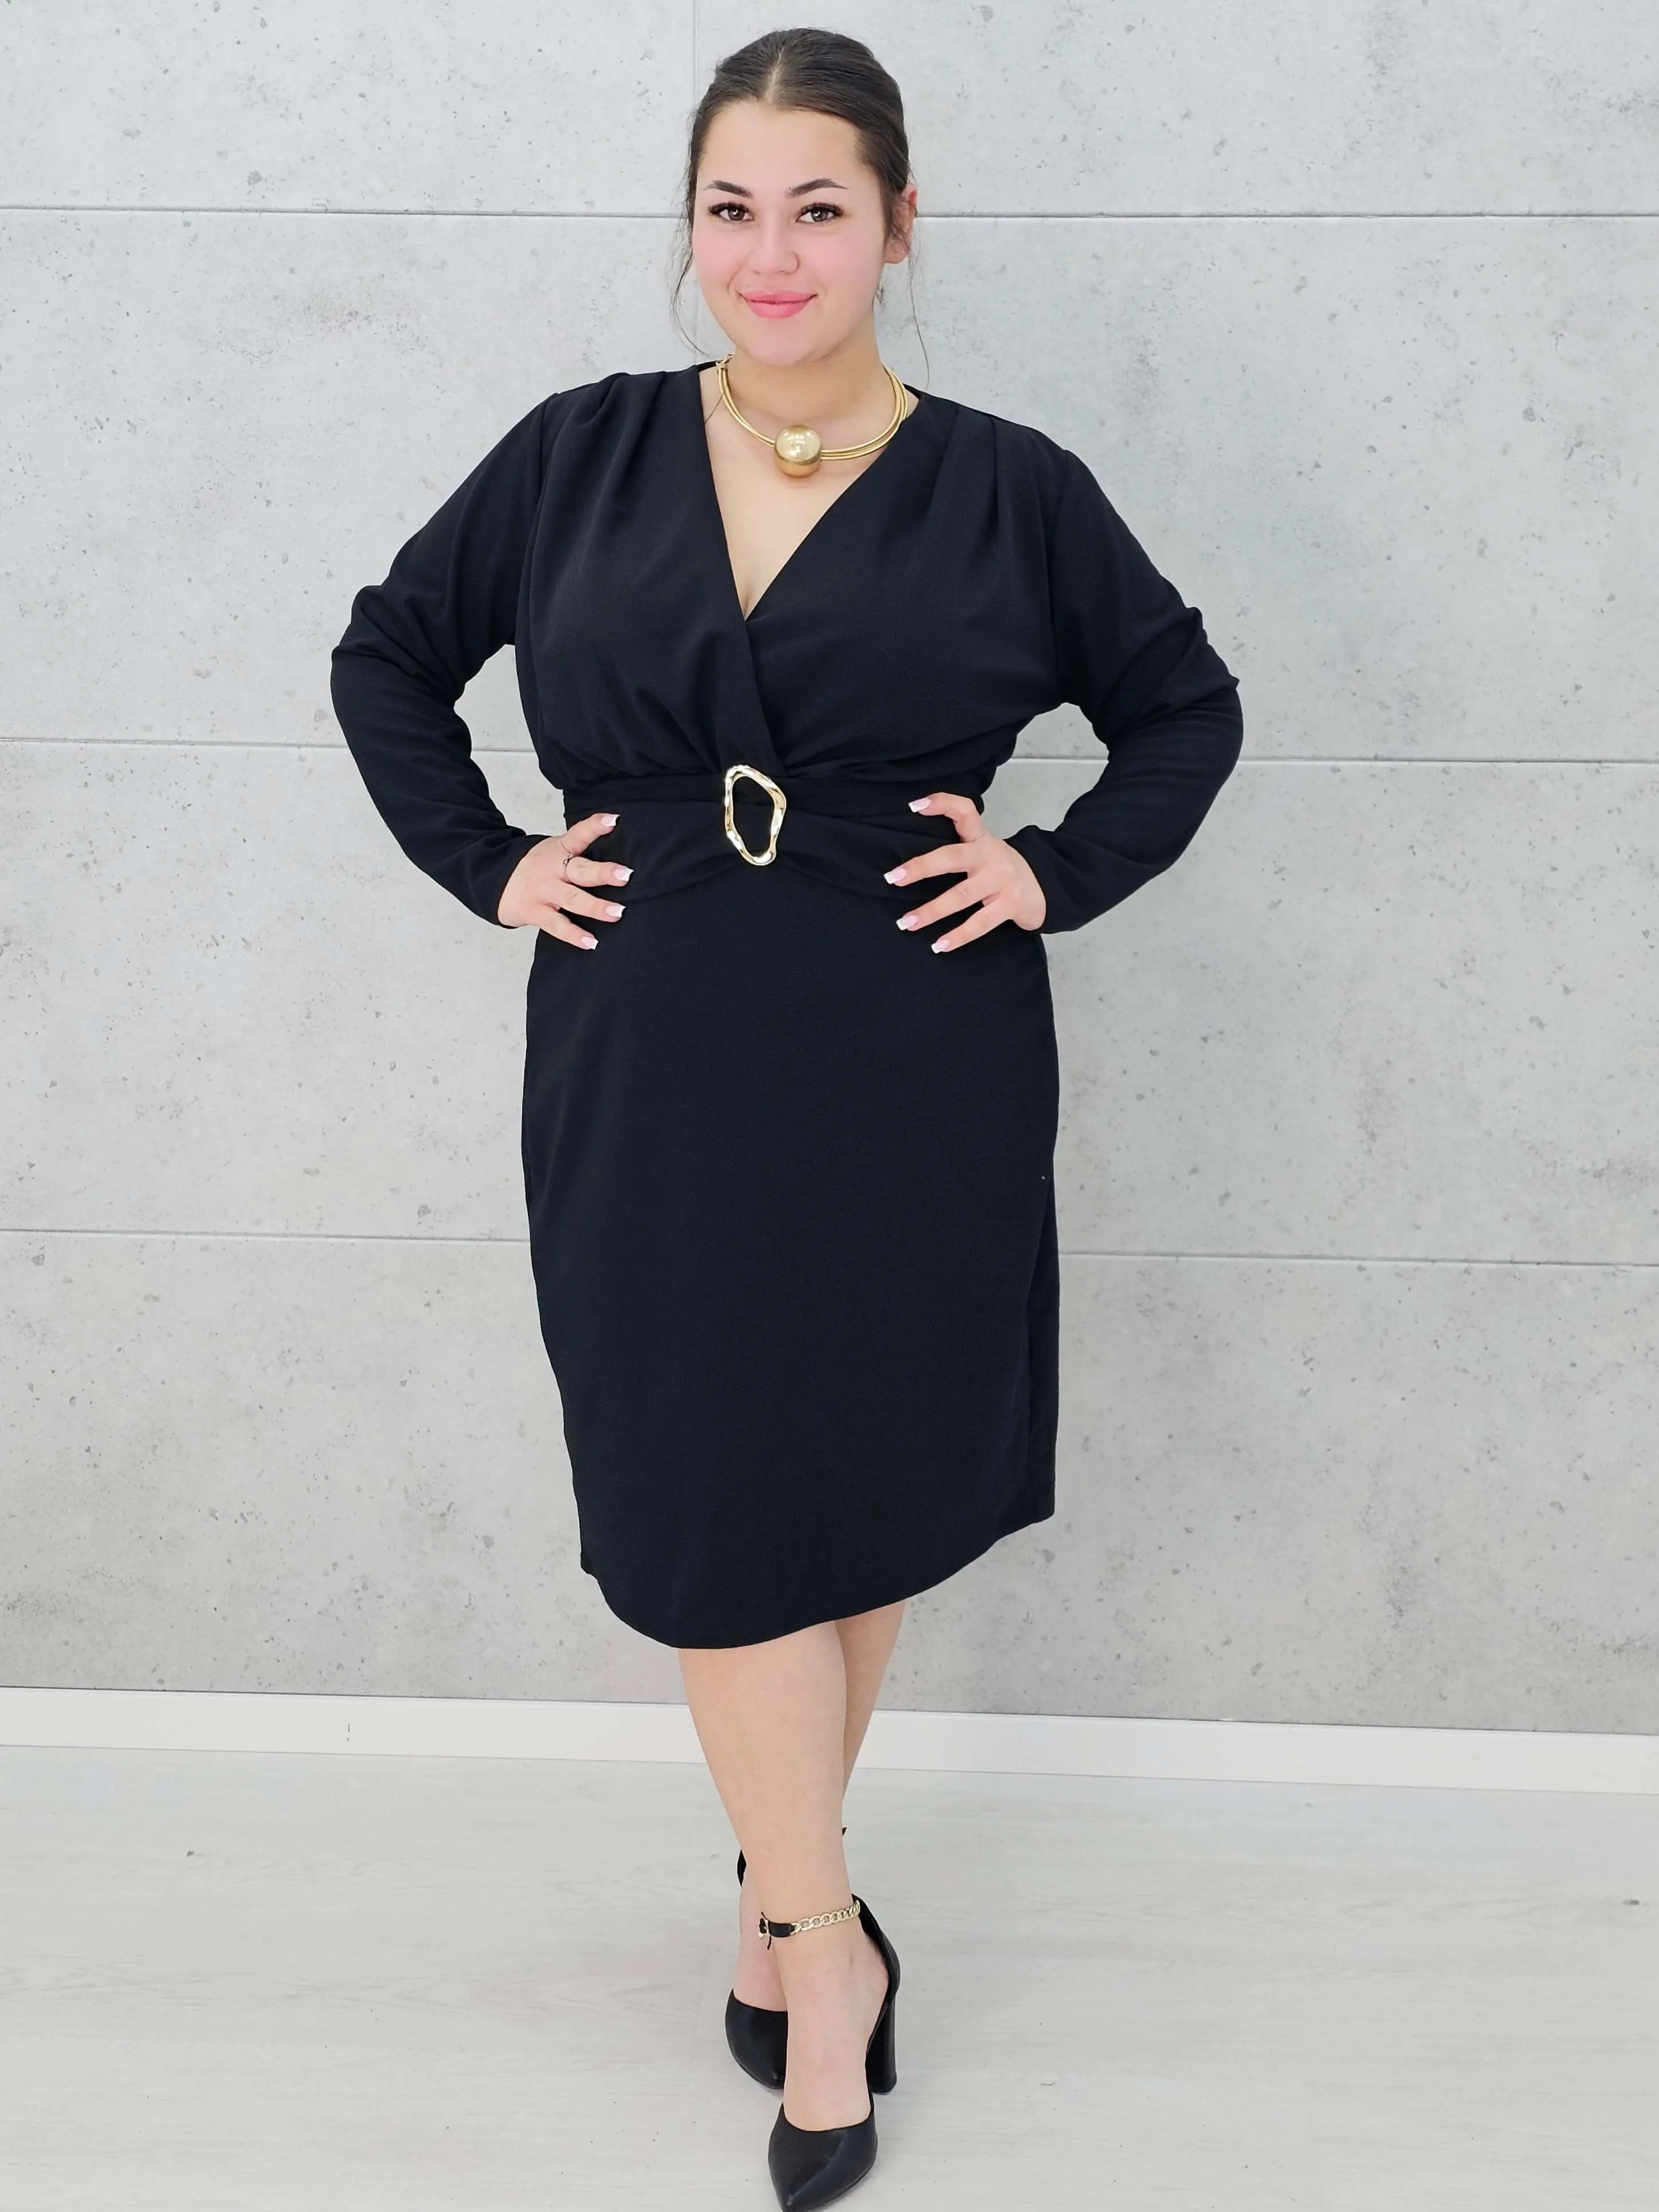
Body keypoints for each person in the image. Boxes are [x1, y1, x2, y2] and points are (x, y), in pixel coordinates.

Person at [330, 28, 1243, 2209]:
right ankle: (825, 1939)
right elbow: (386, 656)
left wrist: (1051, 872)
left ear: (899, 226)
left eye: (819, 207)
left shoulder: (1013, 486)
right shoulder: (578, 453)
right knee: (705, 1486)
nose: (771, 252)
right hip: (648, 1041)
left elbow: (1185, 708)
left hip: (913, 1045)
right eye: (730, 208)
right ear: (691, 227)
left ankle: (780, 1906)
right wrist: (493, 863)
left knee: (847, 1480)